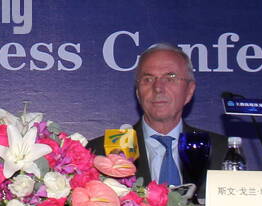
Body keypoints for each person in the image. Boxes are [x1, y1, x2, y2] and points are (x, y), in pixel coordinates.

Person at [88, 43, 228, 184]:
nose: (158, 88)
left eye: (170, 78)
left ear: (189, 91)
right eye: (148, 79)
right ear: (138, 92)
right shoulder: (99, 153)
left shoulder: (220, 150)